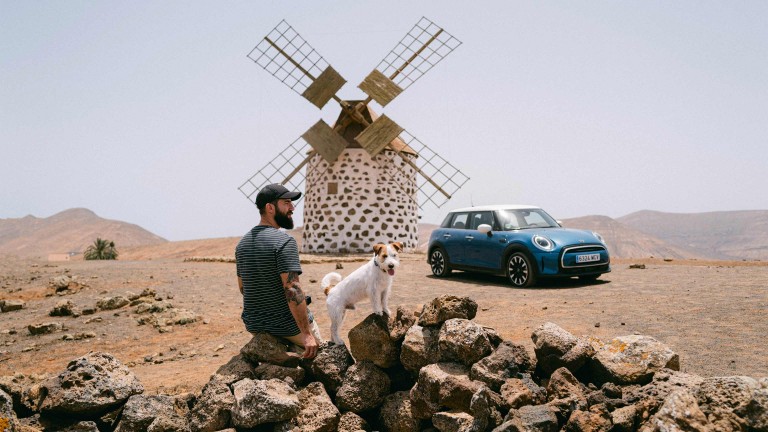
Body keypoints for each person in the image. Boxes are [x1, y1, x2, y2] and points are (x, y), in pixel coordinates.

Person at [235, 183, 321, 359]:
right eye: (286, 203)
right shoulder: (284, 242)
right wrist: (306, 333)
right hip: (288, 326)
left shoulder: (242, 245)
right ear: (270, 208)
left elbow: (243, 287)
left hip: (255, 325)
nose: (292, 208)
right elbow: (292, 289)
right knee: (323, 353)